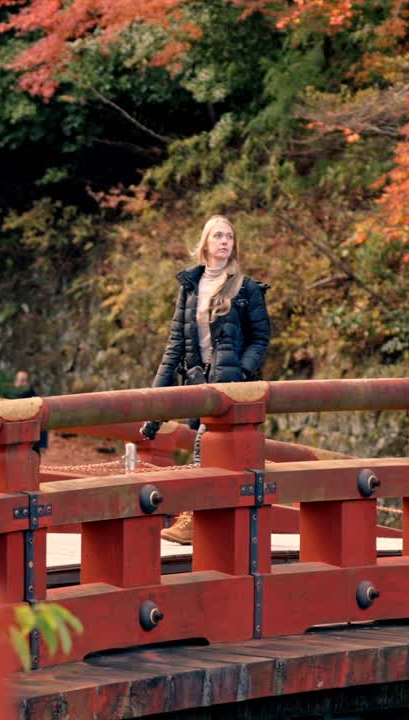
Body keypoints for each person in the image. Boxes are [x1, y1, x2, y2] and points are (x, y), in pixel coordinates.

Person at [141, 215, 271, 544]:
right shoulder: (190, 289)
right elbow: (174, 350)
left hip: (231, 385)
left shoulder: (247, 289)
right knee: (213, 453)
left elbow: (261, 339)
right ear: (206, 244)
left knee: (203, 446)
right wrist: (155, 411)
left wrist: (240, 372)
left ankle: (192, 520)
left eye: (229, 236)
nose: (224, 241)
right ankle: (213, 526)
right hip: (199, 384)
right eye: (217, 236)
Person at [13, 370, 49, 454]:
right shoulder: (9, 398)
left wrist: (43, 444)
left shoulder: (35, 400)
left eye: (23, 381)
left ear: (28, 383)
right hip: (13, 444)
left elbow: (42, 421)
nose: (19, 383)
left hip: (31, 445)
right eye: (18, 380)